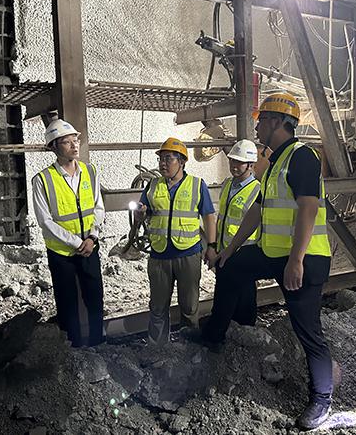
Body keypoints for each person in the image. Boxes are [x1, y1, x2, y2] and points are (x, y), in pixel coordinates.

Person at [204, 93, 335, 430]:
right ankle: (215, 334)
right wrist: (229, 250)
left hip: (304, 259)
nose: (257, 127)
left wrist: (296, 260)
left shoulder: (302, 156)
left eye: (261, 121)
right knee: (230, 269)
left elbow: (308, 208)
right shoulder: (276, 162)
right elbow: (258, 211)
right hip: (273, 253)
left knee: (308, 331)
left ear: (277, 122)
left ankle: (321, 400)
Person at [133, 137, 217, 346]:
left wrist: (211, 246)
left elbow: (208, 217)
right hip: (159, 255)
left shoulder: (197, 185)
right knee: (157, 307)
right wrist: (140, 214)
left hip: (188, 255)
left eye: (168, 158)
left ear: (182, 161)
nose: (163, 163)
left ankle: (189, 349)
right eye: (161, 159)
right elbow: (142, 213)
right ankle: (158, 349)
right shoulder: (153, 186)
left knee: (189, 307)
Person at [32, 118, 106, 347]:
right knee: (67, 303)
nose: (74, 145)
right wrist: (76, 242)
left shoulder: (90, 171)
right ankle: (72, 348)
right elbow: (45, 221)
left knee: (95, 298)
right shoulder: (42, 180)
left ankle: (97, 344)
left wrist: (92, 237)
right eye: (66, 142)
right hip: (61, 253)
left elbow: (98, 207)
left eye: (75, 140)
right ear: (54, 147)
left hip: (89, 246)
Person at [201, 139, 261, 338]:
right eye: (232, 160)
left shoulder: (257, 189)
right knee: (224, 297)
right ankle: (221, 334)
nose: (234, 165)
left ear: (250, 165)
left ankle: (244, 334)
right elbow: (222, 219)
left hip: (244, 253)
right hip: (224, 252)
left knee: (244, 298)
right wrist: (213, 246)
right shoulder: (227, 184)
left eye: (239, 162)